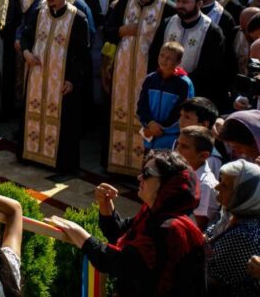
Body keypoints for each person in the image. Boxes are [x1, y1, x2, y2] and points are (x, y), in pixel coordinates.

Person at [49, 150, 206, 297]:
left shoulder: (171, 228)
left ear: (168, 184)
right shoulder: (154, 213)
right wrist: (105, 205)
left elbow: (121, 263)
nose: (139, 177)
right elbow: (120, 233)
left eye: (147, 174)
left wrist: (79, 234)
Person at [104, 0, 177, 176]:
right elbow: (107, 32)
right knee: (116, 114)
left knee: (147, 115)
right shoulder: (123, 3)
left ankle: (144, 168)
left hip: (151, 75)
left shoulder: (167, 8)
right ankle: (115, 165)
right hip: (122, 71)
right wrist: (121, 31)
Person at [20, 0, 90, 173]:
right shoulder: (39, 11)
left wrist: (73, 80)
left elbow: (81, 54)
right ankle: (32, 154)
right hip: (37, 74)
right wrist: (26, 52)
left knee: (63, 119)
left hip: (61, 79)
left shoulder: (78, 18)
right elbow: (25, 35)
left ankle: (59, 162)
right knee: (33, 111)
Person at [149, 0, 229, 109]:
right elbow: (154, 53)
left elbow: (211, 67)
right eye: (178, 1)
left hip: (193, 91)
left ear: (199, 4)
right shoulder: (167, 23)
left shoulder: (211, 30)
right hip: (163, 86)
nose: (180, 6)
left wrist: (182, 82)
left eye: (185, 2)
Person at [206, 160, 260, 296]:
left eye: (225, 185)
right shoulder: (229, 215)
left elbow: (213, 283)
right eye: (220, 181)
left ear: (244, 196)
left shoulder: (243, 235)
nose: (217, 187)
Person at [136, 41, 194, 152]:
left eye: (169, 58)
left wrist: (161, 128)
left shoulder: (183, 84)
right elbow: (142, 105)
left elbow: (182, 112)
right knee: (148, 165)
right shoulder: (150, 79)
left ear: (178, 62)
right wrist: (150, 123)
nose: (164, 60)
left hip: (169, 138)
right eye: (162, 55)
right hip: (149, 135)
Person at [174, 125, 221, 229]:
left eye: (184, 146)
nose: (177, 149)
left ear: (203, 155)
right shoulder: (181, 171)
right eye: (178, 144)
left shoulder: (204, 184)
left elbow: (198, 225)